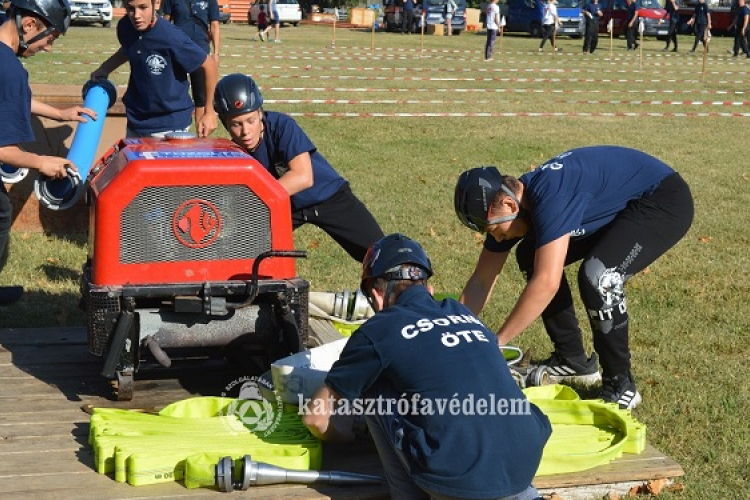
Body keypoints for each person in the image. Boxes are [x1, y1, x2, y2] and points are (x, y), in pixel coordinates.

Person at [303, 233, 551, 500]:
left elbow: (315, 417)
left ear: (376, 294)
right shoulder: (461, 312)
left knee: (374, 386)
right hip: (525, 456)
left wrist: (350, 433)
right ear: (428, 289)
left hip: (459, 479)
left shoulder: (379, 329)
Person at [454, 146, 694, 409]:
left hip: (662, 199)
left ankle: (621, 385)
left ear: (510, 204)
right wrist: (450, 333)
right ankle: (573, 362)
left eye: (495, 230)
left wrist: (497, 343)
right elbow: (481, 281)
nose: (497, 239)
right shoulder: (509, 207)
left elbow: (547, 282)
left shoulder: (551, 197)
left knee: (599, 276)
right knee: (529, 254)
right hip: (623, 202)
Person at [213, 74, 384, 263]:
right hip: (283, 206)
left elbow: (303, 177)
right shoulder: (231, 151)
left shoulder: (282, 126)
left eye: (251, 120)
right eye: (236, 124)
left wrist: (255, 201)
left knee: (381, 256)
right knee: (239, 251)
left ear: (260, 113)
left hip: (327, 196)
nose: (245, 131)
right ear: (224, 122)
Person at [0, 0, 96, 306]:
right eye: (49, 39)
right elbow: (3, 150)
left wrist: (60, 114)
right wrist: (43, 161)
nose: (49, 48)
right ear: (28, 25)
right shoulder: (10, 70)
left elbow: (13, 100)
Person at [90, 0, 218, 138]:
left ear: (154, 5)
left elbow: (209, 65)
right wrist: (105, 68)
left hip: (169, 124)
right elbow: (129, 48)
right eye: (130, 9)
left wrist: (210, 112)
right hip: (136, 120)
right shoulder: (125, 26)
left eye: (143, 7)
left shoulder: (171, 36)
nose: (137, 15)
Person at [161, 0, 221, 127]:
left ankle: (201, 137)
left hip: (200, 52)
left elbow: (214, 25)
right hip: (177, 50)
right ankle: (174, 130)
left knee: (200, 98)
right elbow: (165, 22)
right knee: (173, 93)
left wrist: (216, 53)